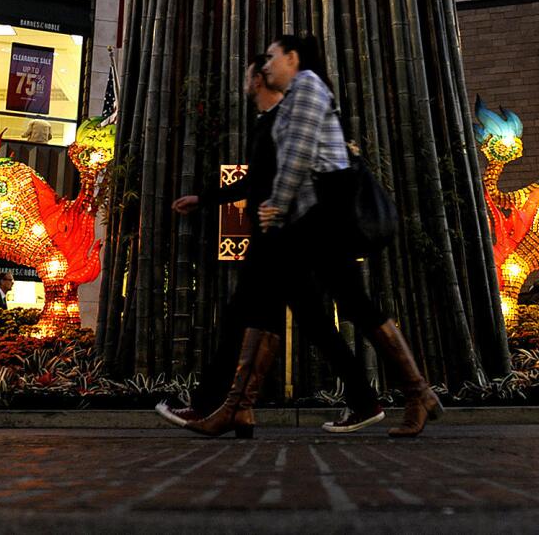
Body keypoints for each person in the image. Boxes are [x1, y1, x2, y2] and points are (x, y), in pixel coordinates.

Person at [191, 34, 441, 439]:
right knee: (323, 302)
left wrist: (276, 203)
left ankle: (237, 407)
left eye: (272, 57)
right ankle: (415, 394)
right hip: (312, 216)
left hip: (327, 214)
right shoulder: (293, 97)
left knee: (292, 299)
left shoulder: (306, 86)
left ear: (293, 57)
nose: (266, 64)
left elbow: (298, 155)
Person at [157, 55, 285, 430]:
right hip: (275, 236)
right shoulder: (270, 122)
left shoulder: (280, 122)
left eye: (249, 75)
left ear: (259, 78)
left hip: (277, 236)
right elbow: (254, 182)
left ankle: (211, 404)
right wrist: (204, 199)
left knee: (242, 321)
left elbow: (270, 182)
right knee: (260, 322)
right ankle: (237, 408)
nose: (245, 82)